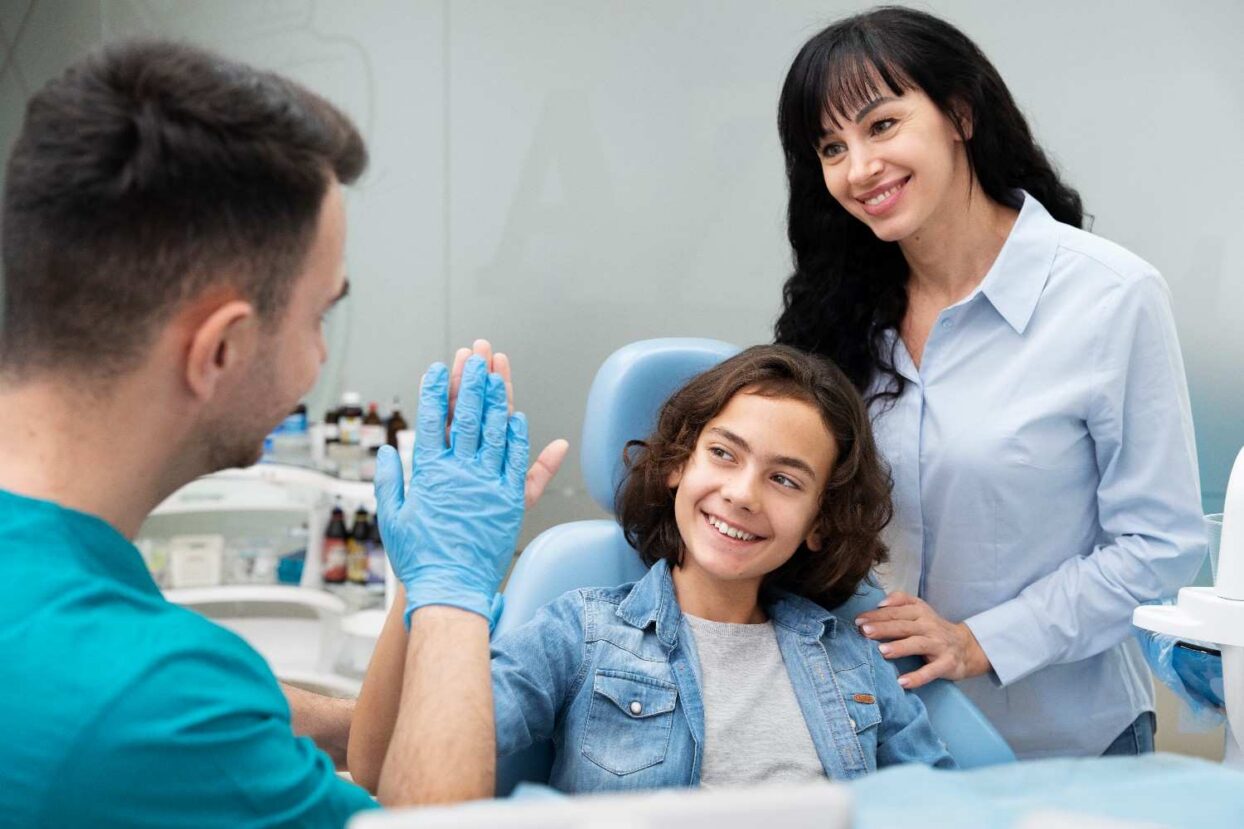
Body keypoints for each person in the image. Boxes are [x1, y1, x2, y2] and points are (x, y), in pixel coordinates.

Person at [0, 40, 565, 825]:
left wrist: (407, 604)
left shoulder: (85, 624)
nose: (321, 356)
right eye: (318, 315)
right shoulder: (145, 700)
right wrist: (454, 595)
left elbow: (280, 728)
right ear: (221, 349)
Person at [772, 7, 1205, 759]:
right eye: (831, 147)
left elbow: (1160, 545)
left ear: (960, 115)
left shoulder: (1111, 295)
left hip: (1064, 747)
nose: (857, 168)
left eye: (881, 126)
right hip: (878, 742)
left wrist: (981, 641)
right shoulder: (837, 316)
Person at [350, 345, 955, 794]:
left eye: (785, 479)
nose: (744, 493)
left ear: (820, 521)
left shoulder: (851, 656)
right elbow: (386, 771)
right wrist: (431, 575)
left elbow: (945, 809)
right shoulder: (582, 634)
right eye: (723, 453)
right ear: (676, 465)